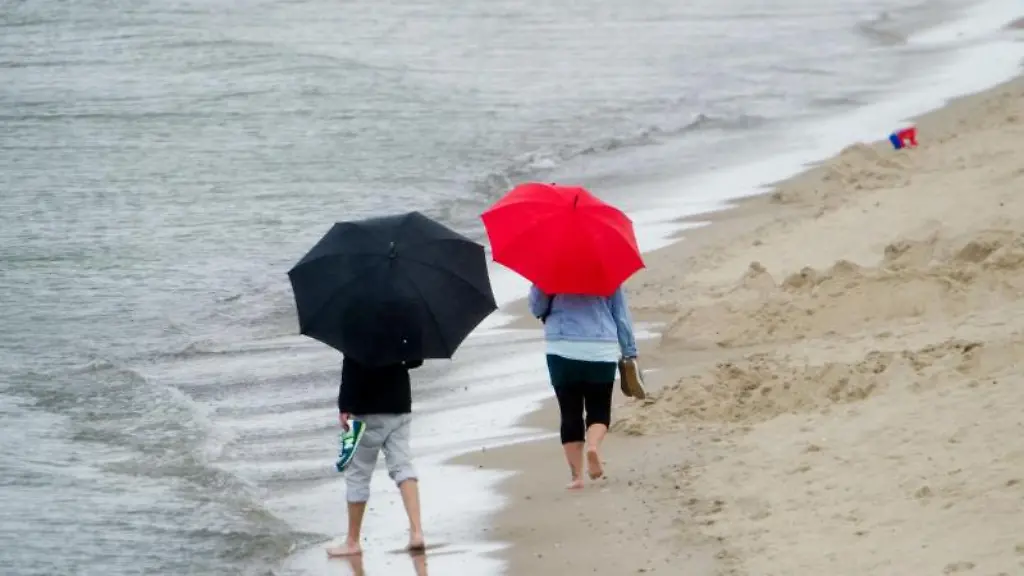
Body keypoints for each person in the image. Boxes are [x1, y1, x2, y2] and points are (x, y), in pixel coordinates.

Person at [528, 284, 642, 490]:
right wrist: (629, 350)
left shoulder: (550, 271)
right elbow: (620, 315)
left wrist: (544, 287)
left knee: (569, 413)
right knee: (599, 409)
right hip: (600, 349)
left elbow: (537, 308)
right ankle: (593, 446)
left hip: (561, 349)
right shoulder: (606, 272)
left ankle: (577, 477)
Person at [325, 355, 425, 556]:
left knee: (358, 474)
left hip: (365, 408)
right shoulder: (403, 331)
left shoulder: (356, 334)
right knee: (402, 466)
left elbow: (352, 367)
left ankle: (352, 541)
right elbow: (415, 360)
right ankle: (417, 532)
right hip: (399, 404)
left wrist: (344, 406)